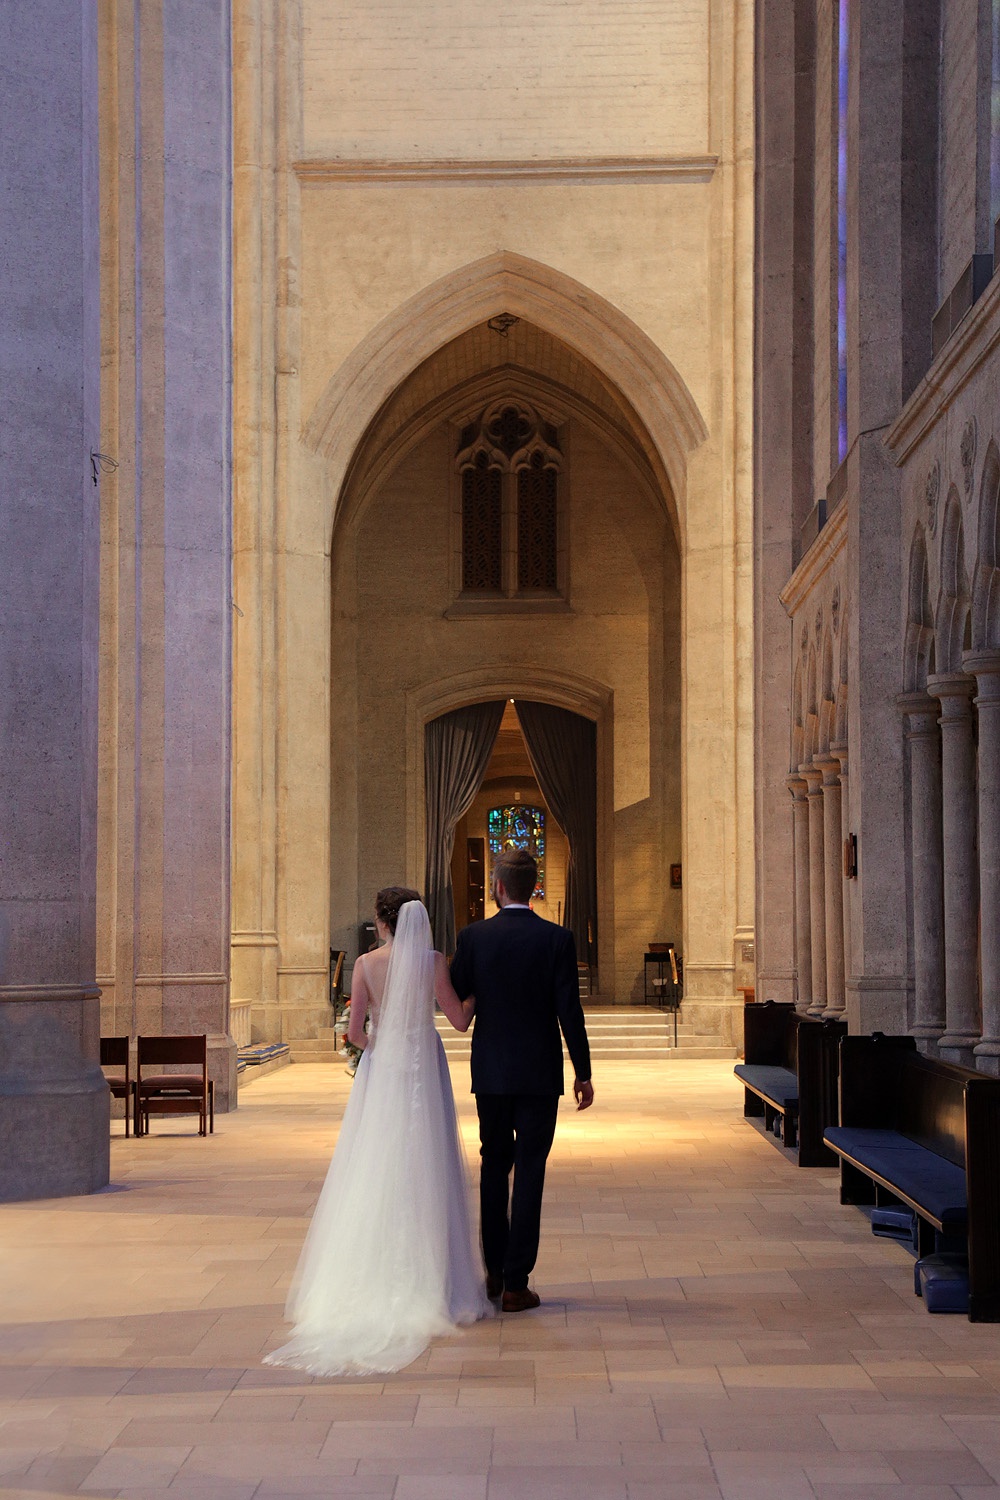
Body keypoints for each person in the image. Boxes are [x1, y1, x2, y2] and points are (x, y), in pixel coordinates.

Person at [264, 887, 492, 1376]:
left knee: (377, 1163)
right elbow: (458, 1020)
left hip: (385, 1069)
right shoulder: (432, 962)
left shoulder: (366, 964)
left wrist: (382, 1048)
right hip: (423, 1067)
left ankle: (370, 1277)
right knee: (426, 1161)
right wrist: (478, 993)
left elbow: (353, 1033)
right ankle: (432, 1280)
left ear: (381, 921)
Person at [450, 847, 594, 1313]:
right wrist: (583, 1072)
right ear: (534, 887)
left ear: (497, 887)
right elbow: (569, 1011)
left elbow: (456, 992)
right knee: (531, 1170)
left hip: (491, 1072)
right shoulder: (557, 939)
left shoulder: (473, 937)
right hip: (539, 1074)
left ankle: (494, 1272)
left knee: (494, 1165)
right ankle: (517, 1283)